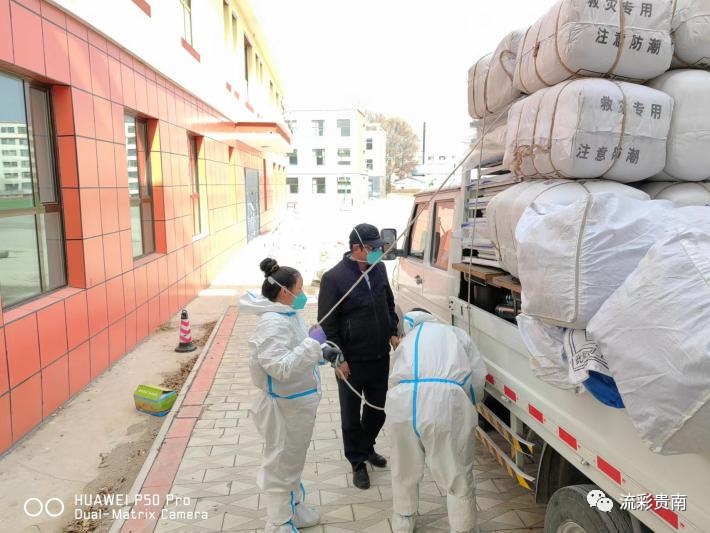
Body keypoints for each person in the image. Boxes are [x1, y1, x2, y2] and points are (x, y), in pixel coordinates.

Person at [240, 258, 341, 533]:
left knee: (292, 461)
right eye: (299, 288)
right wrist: (311, 344)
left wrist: (321, 353)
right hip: (282, 408)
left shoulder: (288, 315)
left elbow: (297, 351)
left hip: (296, 405)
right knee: (280, 464)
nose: (303, 294)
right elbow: (281, 368)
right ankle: (278, 522)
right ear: (285, 291)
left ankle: (293, 508)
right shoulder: (271, 324)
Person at [386, 308, 487, 533]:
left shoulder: (406, 341)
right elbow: (476, 378)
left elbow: (392, 377)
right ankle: (463, 528)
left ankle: (403, 522)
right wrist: (468, 405)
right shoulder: (455, 334)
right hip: (444, 403)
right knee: (456, 471)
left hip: (402, 405)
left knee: (403, 467)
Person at [317, 223, 400, 490]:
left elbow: (388, 303)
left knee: (377, 411)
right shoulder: (334, 279)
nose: (378, 252)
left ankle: (366, 447)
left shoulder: (379, 269)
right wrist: (337, 359)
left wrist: (393, 331)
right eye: (373, 248)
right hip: (351, 360)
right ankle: (357, 462)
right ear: (357, 248)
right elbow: (327, 324)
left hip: (380, 355)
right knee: (351, 417)